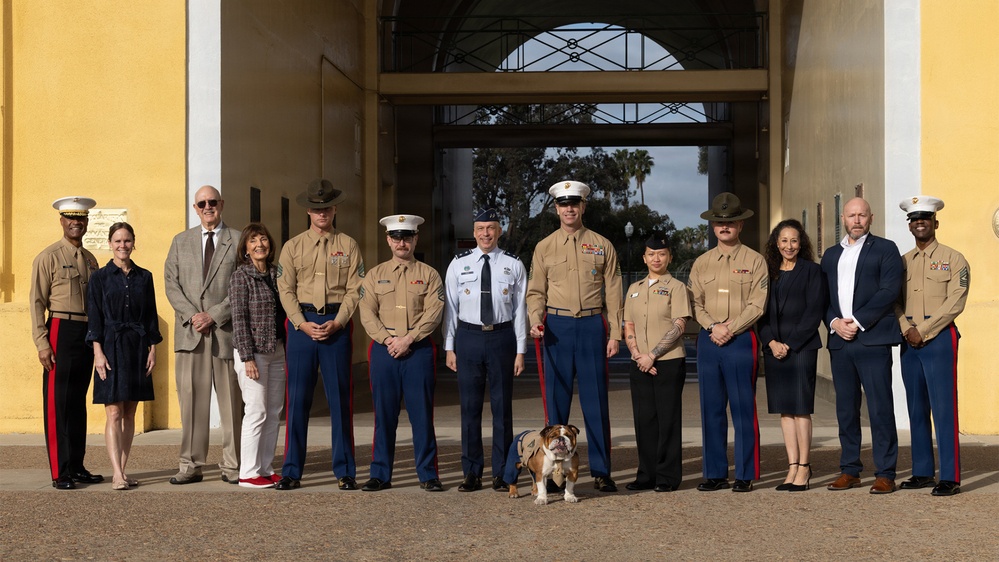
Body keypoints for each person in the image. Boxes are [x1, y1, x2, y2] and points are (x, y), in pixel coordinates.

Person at [526, 180, 623, 493]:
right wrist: (535, 319)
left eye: (575, 203)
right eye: (563, 204)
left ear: (583, 206)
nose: (569, 209)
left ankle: (601, 470)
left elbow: (614, 292)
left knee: (596, 402)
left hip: (592, 325)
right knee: (556, 405)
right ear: (556, 208)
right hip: (556, 327)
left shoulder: (601, 244)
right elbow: (536, 291)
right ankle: (555, 473)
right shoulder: (544, 247)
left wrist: (615, 333)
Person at [275, 179, 363, 491]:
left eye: (326, 207)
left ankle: (345, 470)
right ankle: (291, 470)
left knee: (340, 400)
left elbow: (356, 289)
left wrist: (339, 322)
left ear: (334, 208)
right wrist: (300, 322)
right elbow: (284, 289)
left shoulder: (349, 245)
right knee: (297, 400)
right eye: (316, 208)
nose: (321, 212)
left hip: (336, 326)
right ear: (308, 211)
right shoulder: (292, 247)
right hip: (303, 326)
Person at [820, 197, 903, 494]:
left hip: (872, 339)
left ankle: (885, 472)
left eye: (862, 215)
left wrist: (856, 320)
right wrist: (834, 323)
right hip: (840, 342)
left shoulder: (886, 249)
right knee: (846, 409)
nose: (857, 220)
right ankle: (850, 469)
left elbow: (889, 290)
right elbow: (823, 298)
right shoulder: (830, 255)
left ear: (871, 217)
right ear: (843, 218)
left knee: (880, 407)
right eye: (852, 215)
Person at [443, 207, 528, 493]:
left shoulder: (513, 264)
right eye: (480, 229)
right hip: (468, 338)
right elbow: (451, 310)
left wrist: (520, 350)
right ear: (474, 232)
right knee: (470, 408)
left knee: (502, 409)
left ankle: (503, 473)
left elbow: (520, 311)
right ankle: (472, 472)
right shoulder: (458, 264)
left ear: (499, 231)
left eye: (491, 228)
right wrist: (449, 347)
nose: (485, 234)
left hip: (502, 338)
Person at [359, 214, 445, 492]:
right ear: (388, 240)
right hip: (384, 351)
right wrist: (388, 339)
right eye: (396, 237)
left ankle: (428, 474)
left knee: (421, 415)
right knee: (384, 416)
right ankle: (380, 473)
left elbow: (434, 313)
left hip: (418, 349)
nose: (402, 242)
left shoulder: (429, 275)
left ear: (415, 239)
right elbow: (366, 313)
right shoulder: (375, 275)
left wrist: (409, 338)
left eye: (407, 237)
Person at [688, 192, 767, 493]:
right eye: (720, 222)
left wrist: (729, 328)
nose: (725, 227)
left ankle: (745, 473)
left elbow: (758, 305)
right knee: (711, 409)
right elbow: (694, 303)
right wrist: (712, 326)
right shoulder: (701, 263)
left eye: (730, 222)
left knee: (743, 408)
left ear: (740, 225)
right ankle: (715, 472)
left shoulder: (755, 261)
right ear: (713, 226)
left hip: (740, 339)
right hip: (709, 340)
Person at [163, 185, 242, 485]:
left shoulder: (237, 240)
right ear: (194, 208)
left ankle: (233, 465)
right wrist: (193, 315)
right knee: (191, 401)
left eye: (212, 202)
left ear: (221, 204)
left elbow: (242, 284)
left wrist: (215, 315)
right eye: (202, 204)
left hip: (224, 332)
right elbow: (171, 283)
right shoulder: (180, 241)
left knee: (231, 403)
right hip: (190, 333)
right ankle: (191, 464)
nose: (207, 207)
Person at [895, 196, 970, 497]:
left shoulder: (954, 259)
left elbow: (957, 300)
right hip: (908, 338)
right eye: (914, 219)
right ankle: (923, 471)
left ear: (936, 222)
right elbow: (894, 300)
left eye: (925, 217)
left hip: (938, 337)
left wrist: (923, 330)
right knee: (916, 407)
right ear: (910, 225)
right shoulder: (901, 262)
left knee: (943, 408)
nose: (920, 223)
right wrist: (905, 328)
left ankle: (950, 476)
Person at [30, 196, 104, 489]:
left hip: (86, 332)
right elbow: (36, 301)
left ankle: (77, 465)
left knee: (77, 403)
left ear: (87, 222)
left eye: (81, 218)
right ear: (62, 221)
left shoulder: (90, 259)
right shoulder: (47, 257)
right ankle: (59, 471)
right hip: (60, 328)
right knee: (57, 403)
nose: (76, 223)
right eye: (71, 218)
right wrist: (42, 342)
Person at [86, 222, 162, 490]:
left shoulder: (145, 276)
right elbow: (94, 317)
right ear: (110, 243)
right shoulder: (99, 278)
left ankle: (124, 469)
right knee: (114, 412)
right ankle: (116, 472)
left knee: (130, 412)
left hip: (138, 346)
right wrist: (97, 352)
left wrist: (153, 348)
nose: (122, 245)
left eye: (127, 240)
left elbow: (151, 316)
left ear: (133, 243)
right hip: (110, 346)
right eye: (117, 241)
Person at [758, 219, 827, 492]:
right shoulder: (768, 272)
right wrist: (772, 342)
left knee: (801, 410)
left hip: (801, 348)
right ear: (777, 243)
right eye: (784, 240)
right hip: (774, 349)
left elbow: (815, 312)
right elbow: (759, 312)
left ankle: (805, 467)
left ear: (802, 244)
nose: (789, 245)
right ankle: (791, 465)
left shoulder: (812, 271)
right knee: (785, 411)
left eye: (794, 241)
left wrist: (790, 343)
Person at [622, 235, 692, 493]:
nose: (656, 258)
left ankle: (667, 477)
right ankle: (646, 474)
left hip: (668, 362)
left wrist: (653, 355)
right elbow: (627, 324)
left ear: (669, 257)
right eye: (651, 254)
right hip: (638, 361)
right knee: (644, 420)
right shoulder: (634, 288)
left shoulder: (676, 287)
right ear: (644, 258)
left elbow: (679, 325)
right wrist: (639, 355)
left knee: (668, 420)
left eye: (661, 254)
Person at [230, 223, 287, 489]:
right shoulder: (241, 276)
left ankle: (265, 467)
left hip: (277, 350)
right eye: (253, 241)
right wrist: (247, 357)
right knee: (256, 410)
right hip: (253, 353)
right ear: (245, 248)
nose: (259, 245)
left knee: (274, 412)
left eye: (263, 239)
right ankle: (248, 472)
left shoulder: (277, 274)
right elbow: (238, 319)